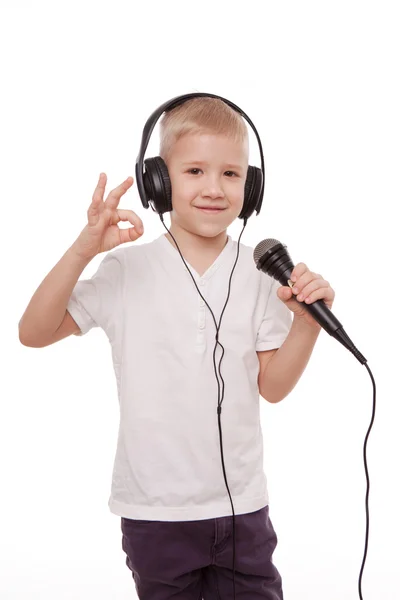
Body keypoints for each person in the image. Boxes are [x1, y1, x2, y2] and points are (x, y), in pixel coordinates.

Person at [19, 96, 335, 599]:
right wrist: (83, 249)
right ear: (158, 182)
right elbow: (33, 332)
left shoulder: (259, 271)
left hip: (242, 508)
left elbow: (272, 388)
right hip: (155, 512)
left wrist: (306, 325)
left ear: (250, 187)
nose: (214, 188)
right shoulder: (126, 271)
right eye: (193, 170)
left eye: (231, 174)